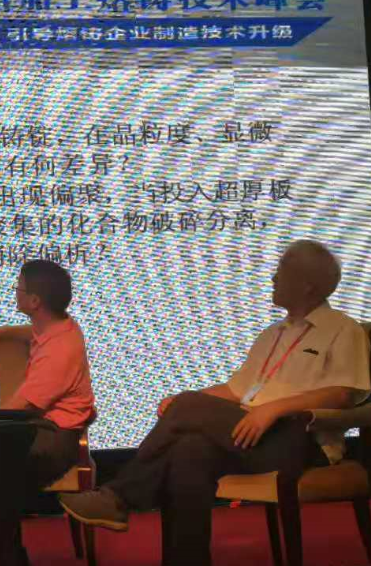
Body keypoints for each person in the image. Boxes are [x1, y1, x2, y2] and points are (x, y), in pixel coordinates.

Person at [59, 240, 370, 566]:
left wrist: (273, 409)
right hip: (251, 434)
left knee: (188, 409)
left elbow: (345, 393)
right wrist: (185, 400)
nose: (273, 278)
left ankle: (118, 496)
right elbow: (237, 391)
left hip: (302, 438)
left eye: (281, 271)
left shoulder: (343, 329)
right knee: (189, 451)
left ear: (307, 285)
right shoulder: (273, 334)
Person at [0, 259, 97, 489]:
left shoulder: (58, 352)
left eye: (19, 287)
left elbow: (19, 409)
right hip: (45, 426)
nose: (16, 292)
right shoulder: (61, 325)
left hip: (53, 440)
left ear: (35, 301)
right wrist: (2, 333)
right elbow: (35, 331)